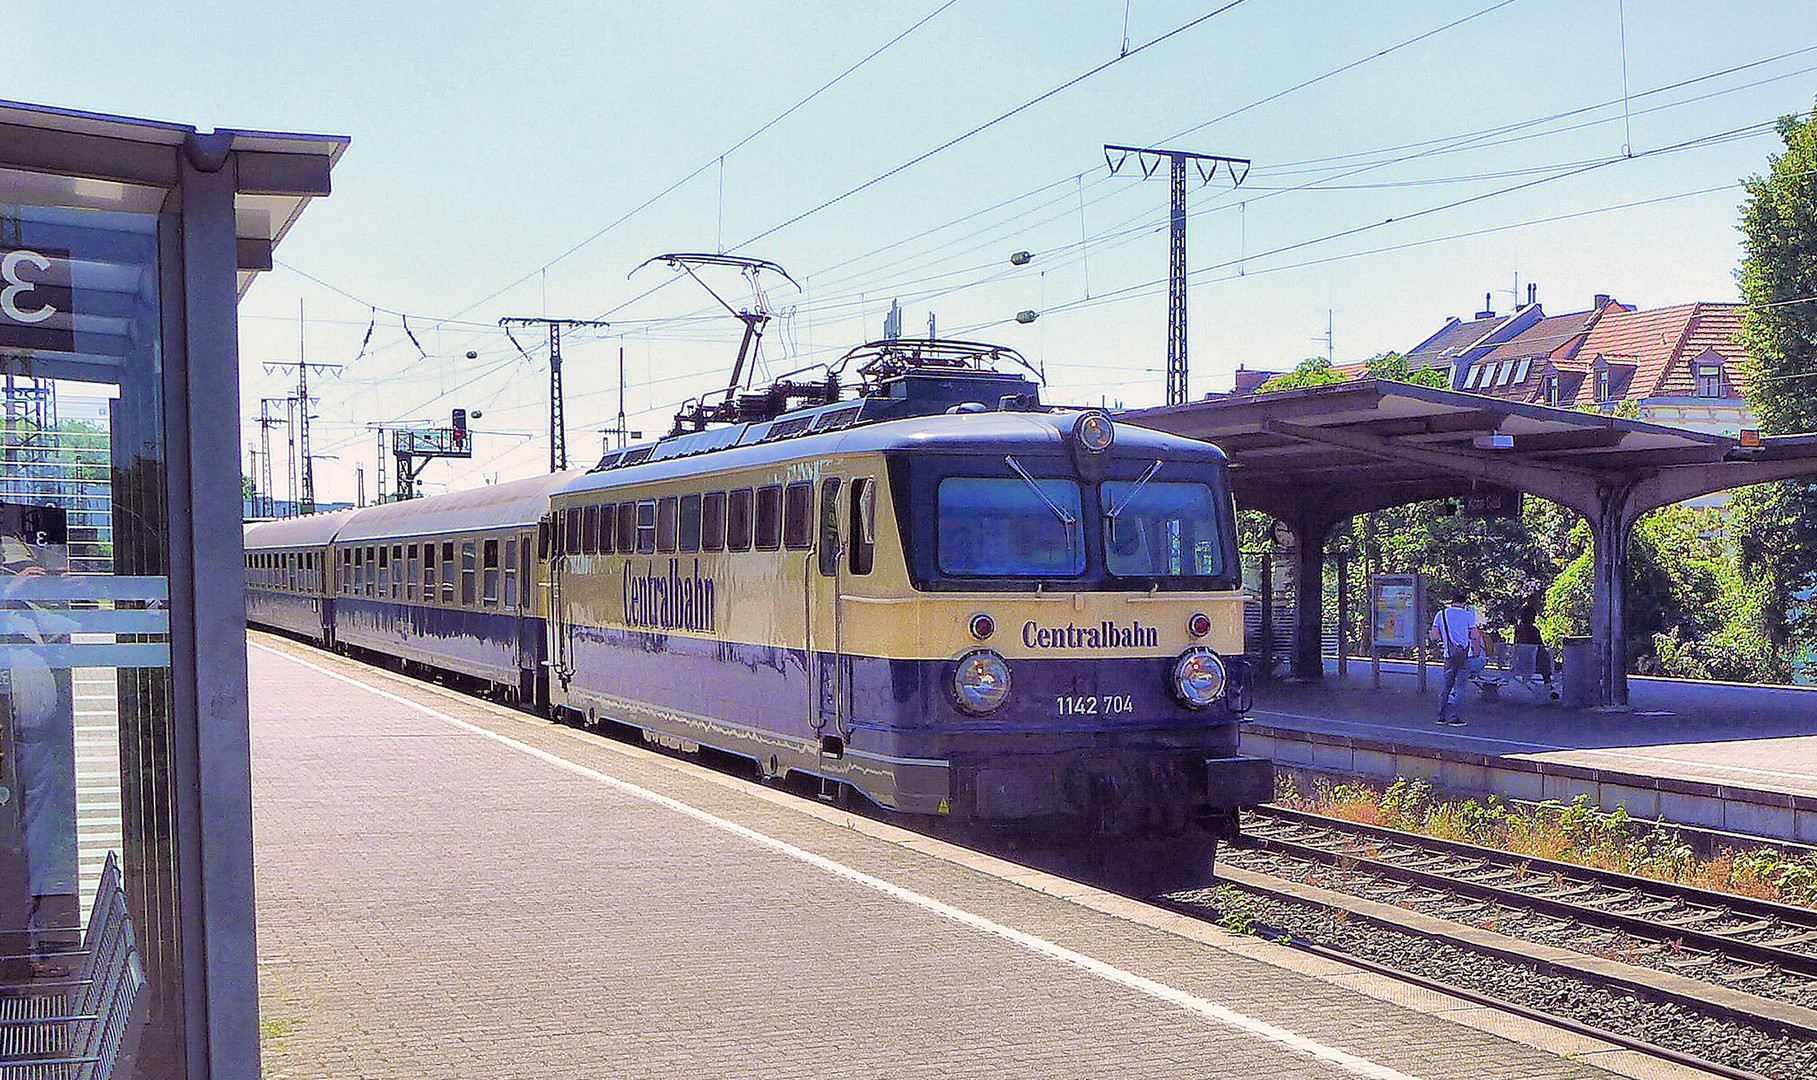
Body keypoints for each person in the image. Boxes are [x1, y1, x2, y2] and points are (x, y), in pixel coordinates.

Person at [1430, 592, 1488, 726]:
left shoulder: (1441, 614)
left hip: (1448, 656)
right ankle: (1455, 718)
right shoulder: (1468, 615)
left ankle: (1441, 716)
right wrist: (1477, 652)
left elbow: (1435, 636)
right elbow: (1474, 635)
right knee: (1460, 687)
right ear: (1464, 604)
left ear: (1452, 602)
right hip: (1464, 656)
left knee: (1446, 686)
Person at [1513, 602, 1554, 685]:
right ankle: (1547, 680)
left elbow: (1516, 645)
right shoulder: (1534, 630)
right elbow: (1540, 646)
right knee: (1544, 656)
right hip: (1533, 661)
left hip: (1522, 660)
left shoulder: (1518, 630)